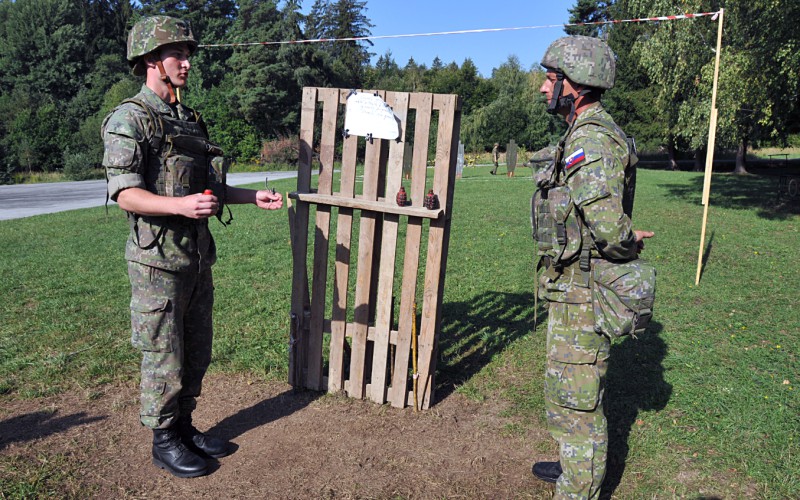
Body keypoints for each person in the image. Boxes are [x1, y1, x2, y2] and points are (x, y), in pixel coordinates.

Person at [102, 16, 283, 479]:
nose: (186, 62)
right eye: (176, 54)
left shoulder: (187, 118)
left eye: (187, 54)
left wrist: (249, 196)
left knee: (197, 350)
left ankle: (184, 427)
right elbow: (125, 193)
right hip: (156, 263)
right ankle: (164, 441)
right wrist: (179, 207)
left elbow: (208, 188)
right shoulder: (130, 118)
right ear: (150, 60)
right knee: (164, 353)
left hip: (197, 258)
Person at [530, 36, 654, 498]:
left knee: (578, 398)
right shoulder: (580, 132)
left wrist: (627, 242)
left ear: (575, 85)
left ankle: (577, 489)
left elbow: (606, 224)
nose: (544, 88)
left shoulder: (591, 139)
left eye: (550, 78)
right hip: (572, 289)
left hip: (585, 292)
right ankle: (573, 467)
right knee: (567, 389)